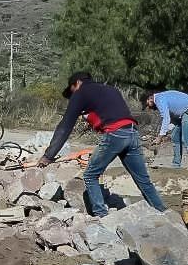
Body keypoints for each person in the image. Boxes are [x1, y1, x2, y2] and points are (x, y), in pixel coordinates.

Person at [38, 72, 167, 217]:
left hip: (115, 134)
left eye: (72, 89)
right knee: (143, 179)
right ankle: (163, 212)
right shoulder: (110, 89)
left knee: (90, 175)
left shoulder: (81, 92)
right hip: (132, 132)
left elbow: (65, 126)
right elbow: (110, 112)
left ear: (77, 83)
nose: (72, 94)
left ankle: (101, 215)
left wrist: (48, 155)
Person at [142, 89, 188, 168]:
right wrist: (162, 134)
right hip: (181, 114)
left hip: (186, 111)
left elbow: (166, 118)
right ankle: (176, 166)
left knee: (186, 139)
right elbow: (171, 122)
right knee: (175, 137)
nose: (149, 107)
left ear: (150, 98)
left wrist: (160, 137)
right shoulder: (161, 98)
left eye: (148, 104)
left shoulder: (159, 99)